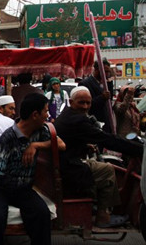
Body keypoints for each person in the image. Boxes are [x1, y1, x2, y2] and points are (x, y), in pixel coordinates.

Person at [0, 93, 66, 245]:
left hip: (23, 189)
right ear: (35, 115)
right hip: (0, 188)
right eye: (46, 111)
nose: (48, 115)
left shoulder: (41, 130)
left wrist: (35, 145)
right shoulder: (8, 137)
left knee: (42, 213)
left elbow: (61, 145)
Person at [54, 86, 143, 227]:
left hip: (68, 161)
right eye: (81, 103)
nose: (85, 107)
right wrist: (140, 150)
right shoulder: (78, 120)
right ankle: (103, 216)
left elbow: (72, 139)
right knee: (107, 170)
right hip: (69, 167)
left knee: (106, 166)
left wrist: (85, 146)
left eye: (88, 103)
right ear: (71, 102)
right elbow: (107, 140)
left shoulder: (68, 115)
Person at [79, 60, 114, 132]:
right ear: (96, 70)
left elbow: (109, 101)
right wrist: (101, 98)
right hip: (94, 124)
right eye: (105, 72)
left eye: (108, 72)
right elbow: (85, 105)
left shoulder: (106, 84)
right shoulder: (85, 84)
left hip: (106, 124)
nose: (107, 74)